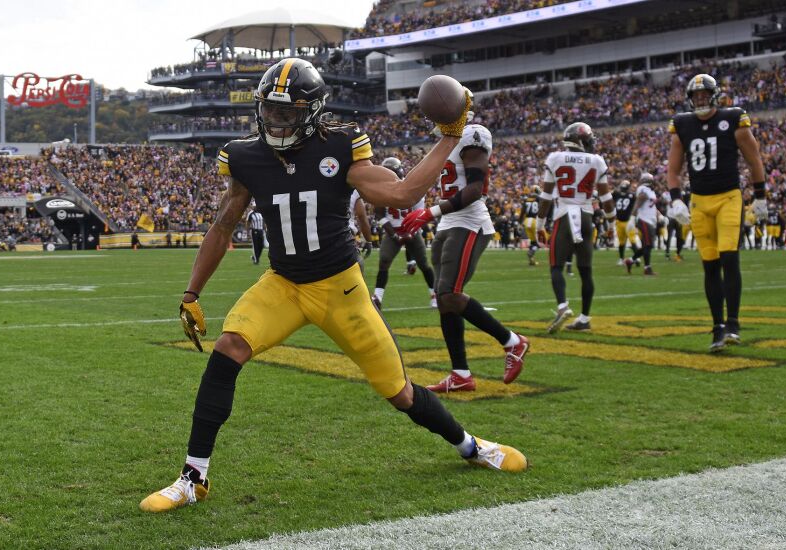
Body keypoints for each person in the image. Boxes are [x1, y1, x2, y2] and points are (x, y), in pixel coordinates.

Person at [140, 59, 527, 515]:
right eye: (269, 110)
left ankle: (471, 446)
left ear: (312, 112)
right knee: (229, 348)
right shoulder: (245, 155)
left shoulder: (340, 146)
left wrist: (449, 136)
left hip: (341, 289)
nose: (275, 121)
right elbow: (224, 225)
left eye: (287, 113)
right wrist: (191, 292)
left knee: (399, 392)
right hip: (283, 284)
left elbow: (401, 194)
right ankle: (193, 477)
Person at [400, 113, 529, 393]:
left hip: (469, 222)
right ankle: (460, 374)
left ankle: (512, 342)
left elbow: (474, 190)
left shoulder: (473, 135)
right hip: (449, 223)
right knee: (444, 300)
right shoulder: (448, 142)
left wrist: (430, 212)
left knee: (449, 294)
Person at [666, 73, 767, 352]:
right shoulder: (682, 124)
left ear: (714, 96)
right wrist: (676, 200)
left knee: (729, 258)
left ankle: (733, 323)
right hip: (699, 201)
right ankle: (717, 326)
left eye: (704, 95)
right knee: (710, 265)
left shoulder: (733, 118)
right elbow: (673, 170)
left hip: (728, 198)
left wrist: (760, 196)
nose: (700, 99)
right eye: (695, 96)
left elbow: (754, 159)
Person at [537, 122, 615, 333]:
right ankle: (584, 318)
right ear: (581, 140)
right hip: (586, 216)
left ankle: (563, 306)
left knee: (556, 267)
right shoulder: (596, 160)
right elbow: (607, 199)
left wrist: (540, 224)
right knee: (586, 271)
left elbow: (545, 197)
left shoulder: (556, 158)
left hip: (564, 216)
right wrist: (611, 224)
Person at [370, 157, 437, 310]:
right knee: (384, 261)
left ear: (398, 171)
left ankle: (435, 295)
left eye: (390, 171)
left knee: (423, 263)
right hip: (392, 231)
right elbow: (379, 214)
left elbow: (419, 214)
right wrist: (394, 235)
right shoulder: (381, 189)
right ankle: (378, 297)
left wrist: (410, 233)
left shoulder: (412, 187)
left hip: (412, 229)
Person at [624, 173, 660, 276]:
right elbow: (638, 203)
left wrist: (659, 215)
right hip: (644, 219)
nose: (653, 182)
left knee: (647, 245)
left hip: (649, 220)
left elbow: (650, 206)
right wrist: (632, 217)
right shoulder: (643, 189)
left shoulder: (650, 191)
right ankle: (647, 268)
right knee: (648, 245)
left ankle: (630, 261)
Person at [612, 180, 637, 266]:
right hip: (621, 221)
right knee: (623, 242)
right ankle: (623, 259)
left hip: (626, 221)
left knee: (631, 241)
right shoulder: (631, 195)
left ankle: (635, 257)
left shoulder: (618, 194)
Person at [520, 185, 541, 266]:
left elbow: (522, 212)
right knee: (539, 242)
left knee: (533, 242)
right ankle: (531, 252)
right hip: (535, 221)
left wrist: (519, 222)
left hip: (526, 221)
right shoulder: (539, 199)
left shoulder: (526, 199)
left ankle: (531, 261)